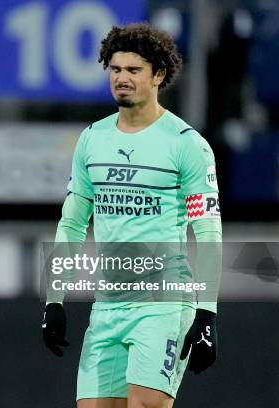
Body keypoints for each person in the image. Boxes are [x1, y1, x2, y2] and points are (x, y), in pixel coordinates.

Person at [41, 24, 222, 408]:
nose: (121, 78)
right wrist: (54, 300)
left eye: (133, 70)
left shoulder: (186, 145)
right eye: (115, 69)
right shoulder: (93, 139)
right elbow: (73, 223)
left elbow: (207, 231)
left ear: (158, 75)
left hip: (163, 305)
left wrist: (206, 313)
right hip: (106, 306)